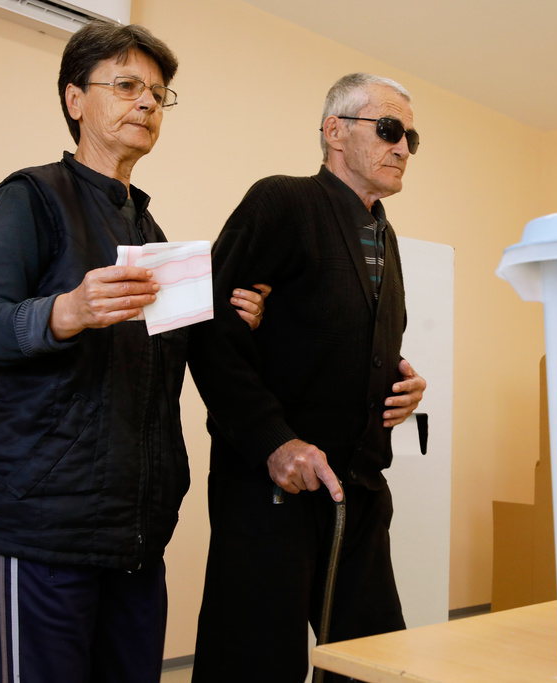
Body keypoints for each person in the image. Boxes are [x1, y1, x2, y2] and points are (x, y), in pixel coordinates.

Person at [0, 21, 266, 683]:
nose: (147, 103)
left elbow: (170, 370)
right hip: (32, 530)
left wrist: (239, 316)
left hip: (133, 539)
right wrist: (68, 309)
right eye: (126, 85)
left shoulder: (154, 236)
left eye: (157, 93)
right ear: (74, 99)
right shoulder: (28, 197)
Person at [188, 72, 427, 682]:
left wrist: (400, 386)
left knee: (375, 661)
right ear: (334, 133)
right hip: (275, 487)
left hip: (359, 488)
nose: (403, 148)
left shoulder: (386, 236)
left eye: (411, 138)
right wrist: (275, 442)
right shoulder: (282, 201)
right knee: (256, 659)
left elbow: (348, 340)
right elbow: (212, 331)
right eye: (389, 130)